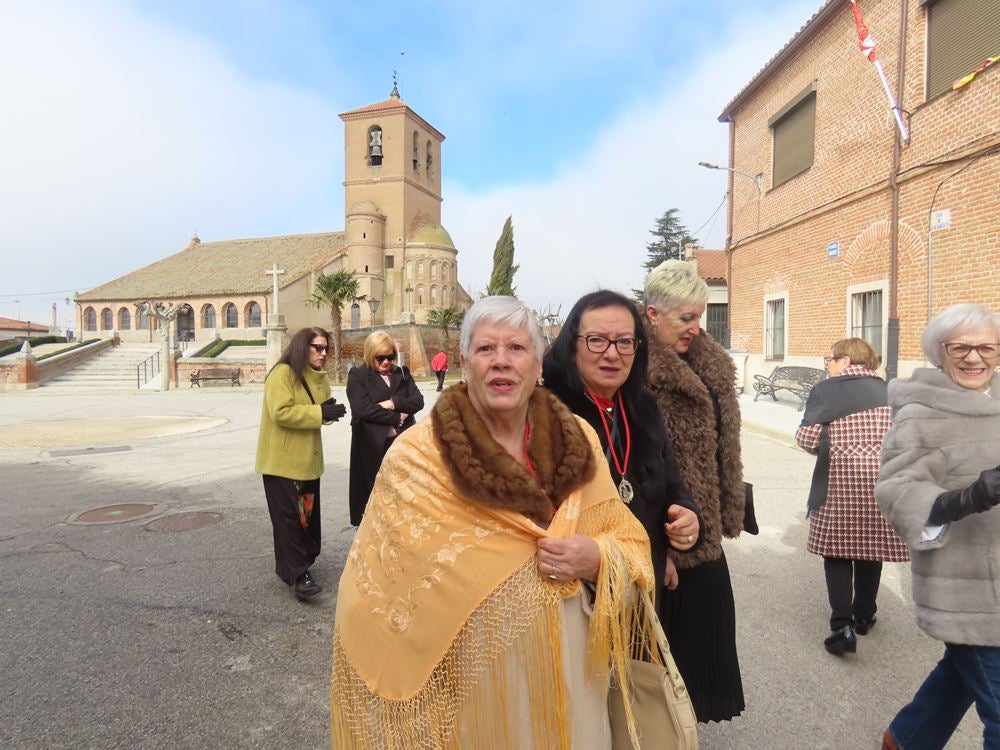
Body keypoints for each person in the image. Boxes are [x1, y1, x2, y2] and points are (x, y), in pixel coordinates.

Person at [331, 296, 655, 749]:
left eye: (517, 348)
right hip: (473, 686)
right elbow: (373, 592)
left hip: (574, 672)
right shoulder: (417, 458)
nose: (501, 360)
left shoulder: (579, 439)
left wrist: (597, 557)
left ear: (538, 364)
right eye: (486, 349)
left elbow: (629, 541)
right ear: (465, 363)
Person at [876, 303, 1000, 750]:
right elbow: (896, 489)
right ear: (939, 351)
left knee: (960, 677)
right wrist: (965, 498)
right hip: (970, 592)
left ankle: (907, 739)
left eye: (985, 347)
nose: (974, 358)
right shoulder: (921, 413)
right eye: (960, 347)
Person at [543, 289, 702, 599]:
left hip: (642, 588)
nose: (613, 354)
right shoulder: (544, 412)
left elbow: (673, 487)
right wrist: (599, 559)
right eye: (597, 340)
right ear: (572, 345)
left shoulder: (644, 408)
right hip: (575, 598)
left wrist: (687, 520)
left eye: (625, 342)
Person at [643, 259, 746, 723]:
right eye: (686, 318)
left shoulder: (709, 364)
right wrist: (655, 544)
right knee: (662, 664)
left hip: (705, 538)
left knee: (705, 648)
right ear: (652, 315)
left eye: (699, 317)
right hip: (666, 540)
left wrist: (731, 504)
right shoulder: (635, 370)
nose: (695, 327)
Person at [796, 338, 908, 656]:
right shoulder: (893, 392)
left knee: (838, 552)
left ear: (845, 362)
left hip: (839, 484)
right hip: (884, 483)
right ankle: (864, 616)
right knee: (871, 549)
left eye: (829, 359)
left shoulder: (827, 391)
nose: (827, 365)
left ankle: (841, 626)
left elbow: (806, 437)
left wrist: (833, 440)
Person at [255, 326, 346, 601]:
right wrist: (320, 412)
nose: (323, 353)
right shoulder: (282, 375)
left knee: (306, 520)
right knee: (290, 522)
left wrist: (328, 411)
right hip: (281, 465)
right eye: (317, 348)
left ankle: (296, 566)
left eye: (326, 348)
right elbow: (281, 412)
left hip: (307, 463)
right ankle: (298, 576)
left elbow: (320, 411)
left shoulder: (315, 376)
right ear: (301, 347)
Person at [346, 331, 424, 527]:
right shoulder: (358, 376)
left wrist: (393, 402)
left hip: (401, 445)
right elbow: (363, 410)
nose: (386, 362)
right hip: (372, 447)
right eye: (381, 358)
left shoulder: (402, 373)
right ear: (370, 354)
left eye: (390, 357)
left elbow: (418, 401)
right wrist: (397, 416)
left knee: (403, 493)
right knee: (375, 494)